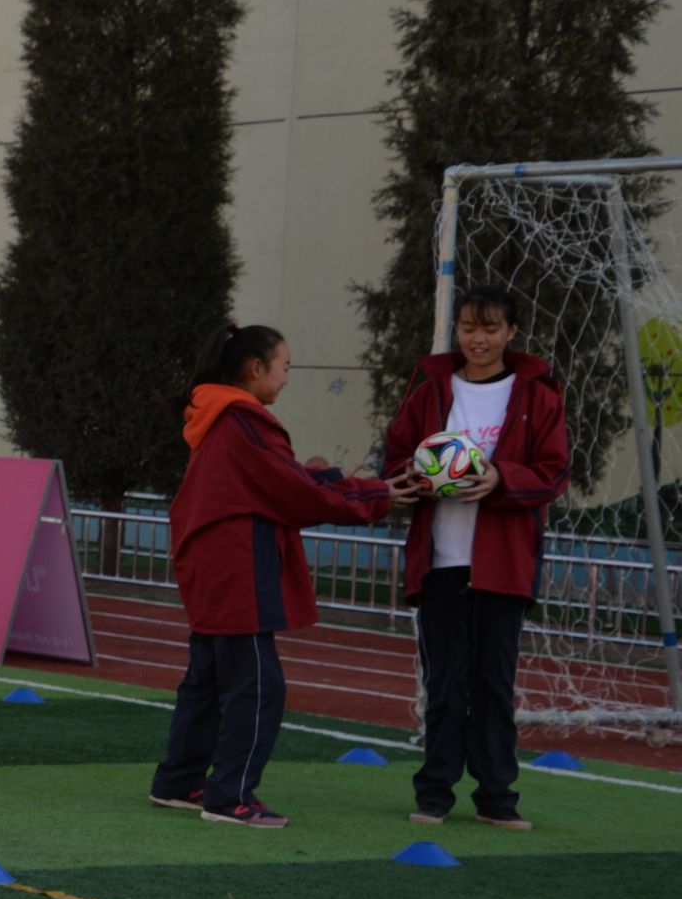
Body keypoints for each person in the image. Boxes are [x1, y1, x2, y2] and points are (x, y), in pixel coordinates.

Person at [150, 323, 403, 829]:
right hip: (237, 567)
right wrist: (378, 496)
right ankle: (230, 797)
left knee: (207, 679)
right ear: (256, 368)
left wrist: (340, 481)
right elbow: (295, 494)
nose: (287, 378)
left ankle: (178, 781)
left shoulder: (216, 415)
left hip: (210, 563)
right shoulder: (244, 420)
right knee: (258, 686)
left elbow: (282, 479)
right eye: (284, 367)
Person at [381, 285, 569, 831]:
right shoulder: (430, 390)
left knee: (493, 684)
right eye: (468, 328)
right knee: (445, 682)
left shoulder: (537, 395)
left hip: (503, 564)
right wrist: (414, 476)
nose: (477, 339)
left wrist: (500, 479)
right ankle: (434, 793)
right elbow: (395, 456)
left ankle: (496, 798)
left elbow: (554, 472)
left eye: (489, 329)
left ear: (511, 332)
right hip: (441, 561)